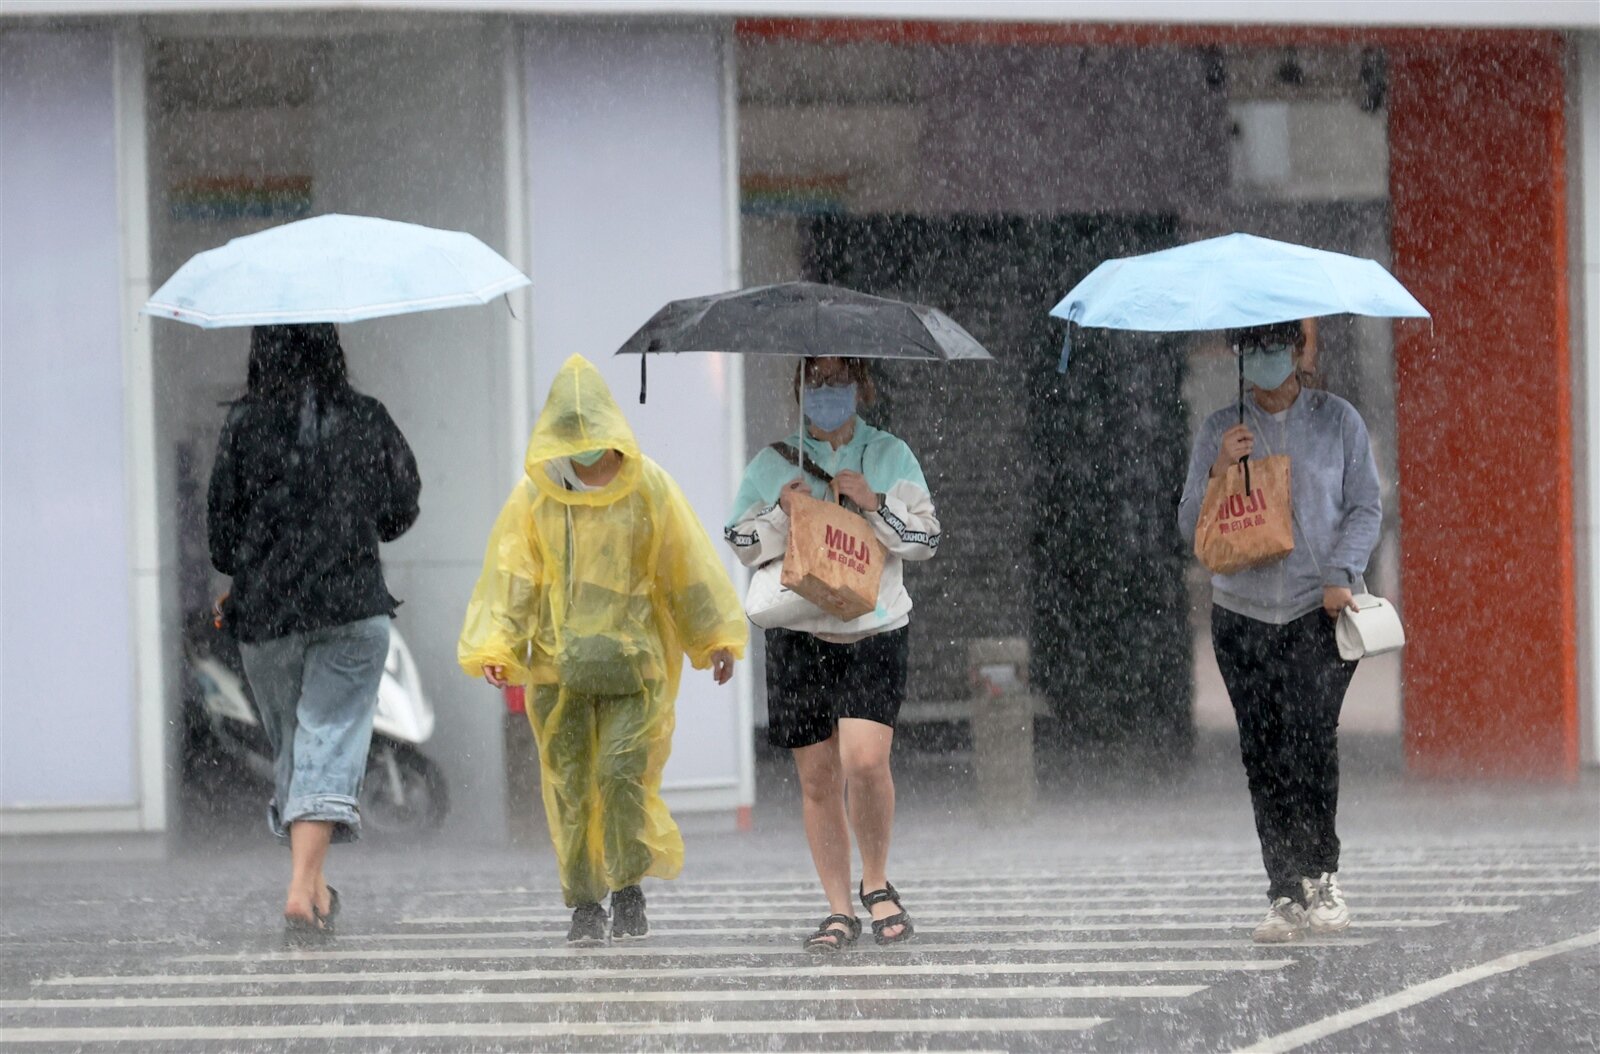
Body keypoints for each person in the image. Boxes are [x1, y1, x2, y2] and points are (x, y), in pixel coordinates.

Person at [459, 354, 747, 945]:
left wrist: (714, 635)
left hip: (634, 669)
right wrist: (499, 641)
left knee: (620, 774)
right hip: (557, 673)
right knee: (569, 785)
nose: (589, 449)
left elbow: (684, 565)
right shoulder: (537, 498)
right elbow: (512, 576)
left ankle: (628, 887)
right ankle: (585, 902)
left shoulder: (650, 487)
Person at [207, 323, 420, 944]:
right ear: (332, 350)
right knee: (329, 740)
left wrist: (267, 549)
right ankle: (307, 887)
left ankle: (311, 886)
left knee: (296, 748)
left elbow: (222, 540)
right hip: (351, 608)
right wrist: (347, 518)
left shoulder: (244, 425)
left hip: (268, 616)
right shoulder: (366, 416)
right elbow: (401, 507)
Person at [726, 356, 940, 952]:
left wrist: (873, 502)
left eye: (837, 379)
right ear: (798, 387)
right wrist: (782, 511)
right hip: (798, 635)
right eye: (815, 381)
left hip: (875, 629)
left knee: (866, 760)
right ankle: (839, 909)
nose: (827, 392)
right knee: (818, 778)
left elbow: (925, 538)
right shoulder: (775, 462)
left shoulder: (891, 455)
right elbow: (740, 542)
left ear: (861, 385)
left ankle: (876, 881)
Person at [1178, 320, 1382, 944]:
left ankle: (1321, 873)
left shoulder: (1337, 419)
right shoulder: (1221, 427)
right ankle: (1283, 890)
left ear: (1298, 351)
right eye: (1253, 348)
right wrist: (1219, 468)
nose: (1266, 359)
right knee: (1263, 751)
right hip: (1241, 616)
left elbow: (1366, 504)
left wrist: (1344, 572)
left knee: (1311, 738)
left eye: (1276, 346)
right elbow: (1190, 523)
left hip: (1316, 611)